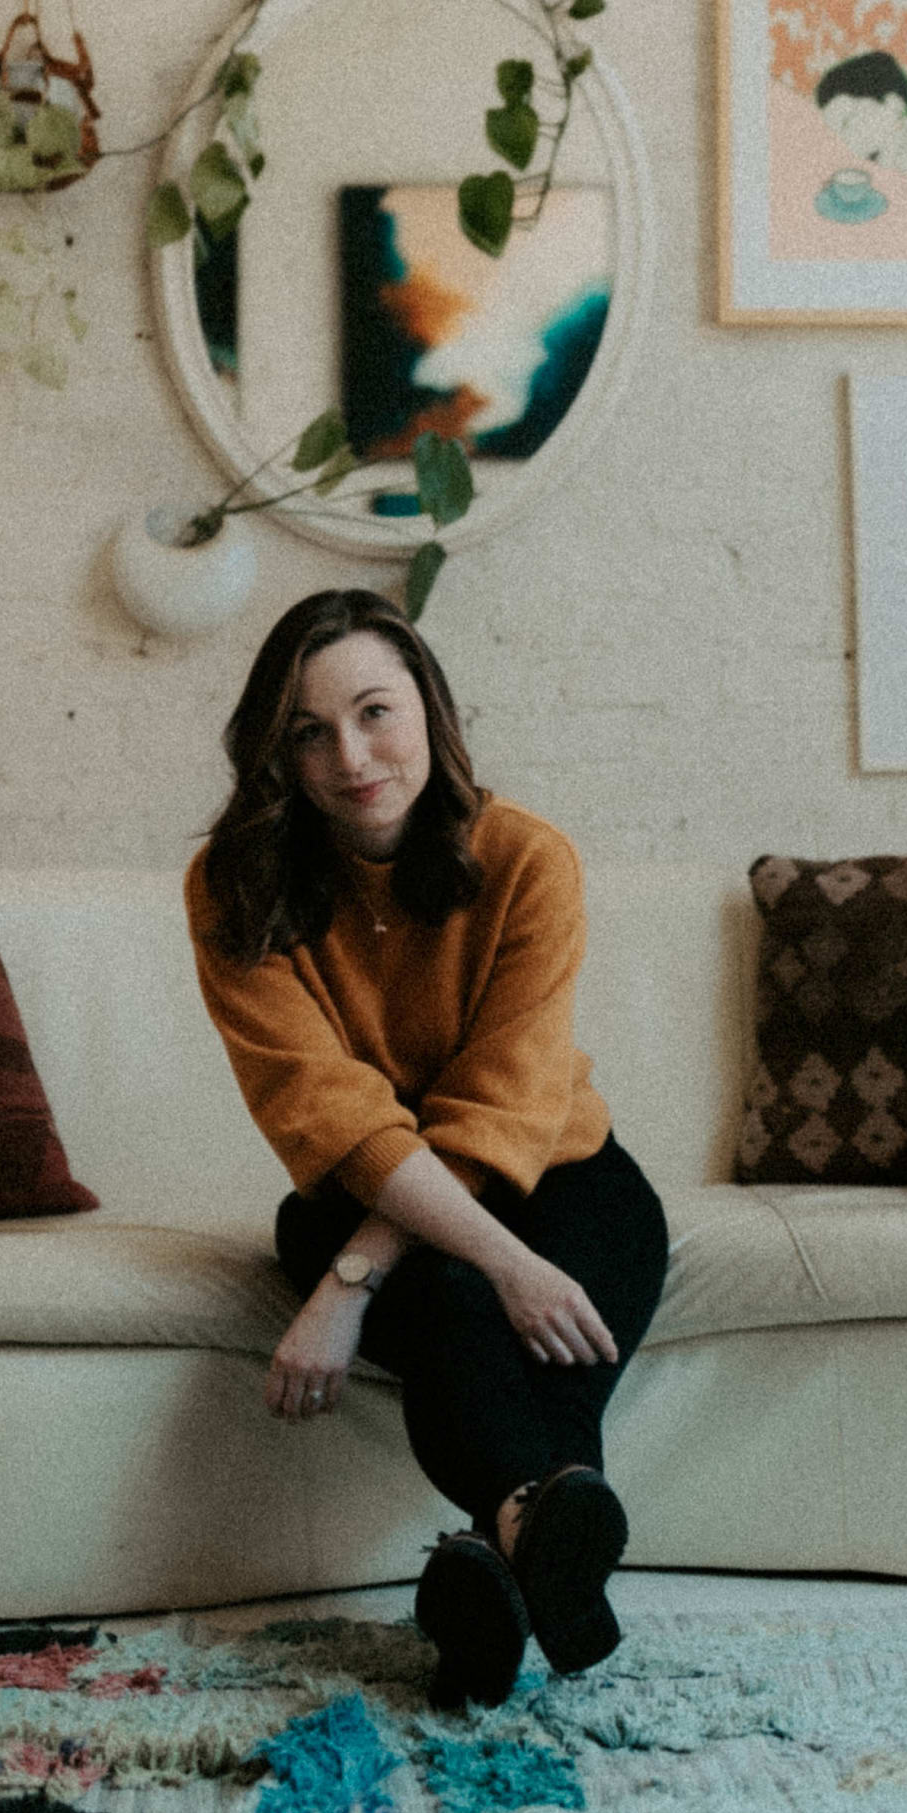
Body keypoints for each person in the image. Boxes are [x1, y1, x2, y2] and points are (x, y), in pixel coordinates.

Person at [187, 588, 670, 1708]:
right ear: (276, 753)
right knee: (462, 1295)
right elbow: (324, 1105)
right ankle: (540, 1547)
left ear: (431, 711)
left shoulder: (528, 860)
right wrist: (407, 1265)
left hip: (565, 1178)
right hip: (350, 1189)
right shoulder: (234, 888)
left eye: (374, 712)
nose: (351, 756)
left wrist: (373, 1278)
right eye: (309, 731)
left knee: (470, 1303)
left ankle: (493, 1567)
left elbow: (502, 1100)